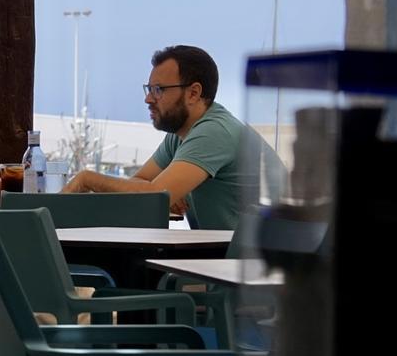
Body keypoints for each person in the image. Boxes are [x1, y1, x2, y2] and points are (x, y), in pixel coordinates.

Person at [62, 44, 282, 230]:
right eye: (148, 89)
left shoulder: (214, 131)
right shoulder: (181, 134)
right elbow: (143, 183)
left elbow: (153, 195)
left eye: (158, 90)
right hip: (227, 262)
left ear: (193, 93)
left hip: (259, 271)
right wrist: (165, 191)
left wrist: (87, 179)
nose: (148, 99)